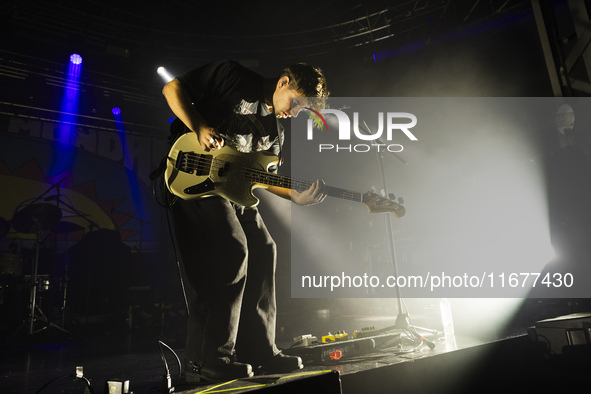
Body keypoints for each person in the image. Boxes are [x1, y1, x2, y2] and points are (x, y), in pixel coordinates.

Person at [161, 60, 329, 382]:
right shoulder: (232, 77)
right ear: (282, 83)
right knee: (232, 249)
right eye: (295, 104)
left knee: (265, 249)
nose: (293, 114)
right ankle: (209, 359)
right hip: (195, 180)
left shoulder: (275, 129)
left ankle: (260, 350)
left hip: (236, 193)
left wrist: (295, 196)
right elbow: (172, 88)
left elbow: (262, 178)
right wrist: (198, 126)